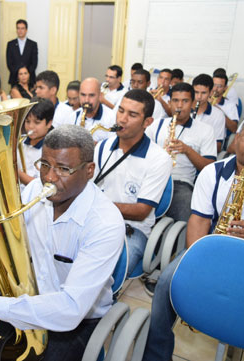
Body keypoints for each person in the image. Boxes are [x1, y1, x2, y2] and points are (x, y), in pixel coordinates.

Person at [0, 125, 125, 361]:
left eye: (63, 169)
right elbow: (13, 239)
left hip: (75, 321)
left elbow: (70, 309)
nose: (49, 177)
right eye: (44, 164)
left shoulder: (105, 223)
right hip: (25, 299)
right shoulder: (36, 190)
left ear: (89, 171)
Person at [142, 115, 244, 361]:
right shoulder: (212, 173)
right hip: (212, 247)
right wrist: (201, 262)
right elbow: (198, 220)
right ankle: (156, 355)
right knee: (166, 282)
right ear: (238, 138)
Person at [94, 90, 172, 276]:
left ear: (147, 122)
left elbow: (141, 211)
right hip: (97, 221)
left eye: (132, 114)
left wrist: (97, 205)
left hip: (131, 230)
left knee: (104, 272)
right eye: (120, 110)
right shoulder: (103, 146)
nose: (122, 119)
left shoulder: (159, 158)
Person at [145, 82, 217, 222]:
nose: (179, 106)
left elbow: (209, 167)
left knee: (185, 208)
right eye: (175, 101)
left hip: (180, 183)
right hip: (153, 177)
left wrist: (187, 150)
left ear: (192, 103)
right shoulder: (156, 125)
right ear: (169, 102)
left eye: (185, 101)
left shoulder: (205, 130)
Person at [66, 77, 117, 142]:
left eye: (91, 95)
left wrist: (99, 146)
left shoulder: (112, 118)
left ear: (100, 96)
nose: (86, 100)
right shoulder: (72, 117)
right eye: (83, 95)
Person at [18, 98, 54, 187]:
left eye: (37, 122)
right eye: (27, 121)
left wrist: (14, 171)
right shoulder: (21, 142)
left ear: (49, 123)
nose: (30, 127)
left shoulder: (52, 149)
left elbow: (41, 185)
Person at [191, 74, 226, 152]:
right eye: (196, 92)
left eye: (203, 93)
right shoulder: (184, 110)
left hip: (202, 156)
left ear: (210, 92)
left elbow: (218, 147)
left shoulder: (218, 115)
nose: (199, 97)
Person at [6, 19, 38, 86]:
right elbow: (9, 63)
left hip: (30, 80)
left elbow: (34, 63)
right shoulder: (10, 44)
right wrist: (18, 74)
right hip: (15, 78)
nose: (20, 31)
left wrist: (26, 74)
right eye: (18, 28)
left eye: (22, 28)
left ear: (26, 30)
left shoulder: (33, 44)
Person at [211, 71, 239, 138]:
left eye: (219, 86)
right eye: (214, 85)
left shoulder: (230, 105)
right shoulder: (201, 101)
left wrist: (218, 110)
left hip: (216, 139)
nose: (215, 89)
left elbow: (234, 129)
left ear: (225, 88)